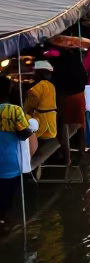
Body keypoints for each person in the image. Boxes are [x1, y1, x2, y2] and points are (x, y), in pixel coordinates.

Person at [0, 75, 34, 228]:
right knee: (8, 197)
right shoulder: (14, 110)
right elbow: (23, 134)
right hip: (9, 163)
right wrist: (31, 128)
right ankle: (6, 221)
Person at [52, 46, 89, 155]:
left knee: (64, 123)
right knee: (82, 123)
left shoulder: (60, 65)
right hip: (79, 96)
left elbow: (56, 82)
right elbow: (85, 79)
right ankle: (82, 149)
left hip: (64, 97)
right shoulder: (78, 64)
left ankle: (67, 155)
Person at [24, 60, 59, 161]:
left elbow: (27, 106)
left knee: (25, 119)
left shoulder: (36, 88)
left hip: (43, 126)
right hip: (52, 125)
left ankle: (33, 150)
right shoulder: (51, 85)